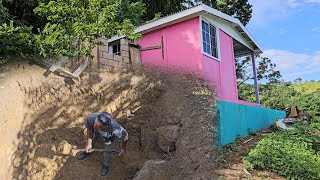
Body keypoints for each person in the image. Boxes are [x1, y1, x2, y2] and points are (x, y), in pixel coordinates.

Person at [78, 112, 129, 176]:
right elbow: (90, 130)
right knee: (91, 141)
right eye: (95, 123)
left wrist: (123, 148)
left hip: (109, 139)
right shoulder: (91, 118)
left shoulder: (115, 128)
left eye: (99, 125)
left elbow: (125, 136)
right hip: (96, 132)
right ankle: (87, 152)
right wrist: (89, 143)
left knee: (108, 152)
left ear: (106, 126)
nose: (95, 125)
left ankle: (106, 165)